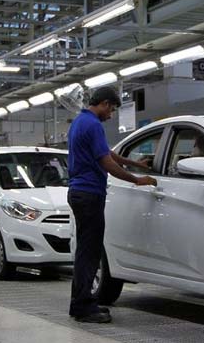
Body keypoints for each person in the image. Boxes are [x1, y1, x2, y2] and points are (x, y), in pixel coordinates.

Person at [67, 86, 157, 324]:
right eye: (113, 109)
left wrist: (134, 163)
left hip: (78, 192)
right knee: (90, 253)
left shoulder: (80, 122)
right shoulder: (94, 125)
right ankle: (84, 307)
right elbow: (106, 162)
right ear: (105, 103)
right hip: (89, 194)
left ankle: (79, 303)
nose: (112, 114)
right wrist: (137, 180)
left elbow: (107, 153)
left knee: (85, 252)